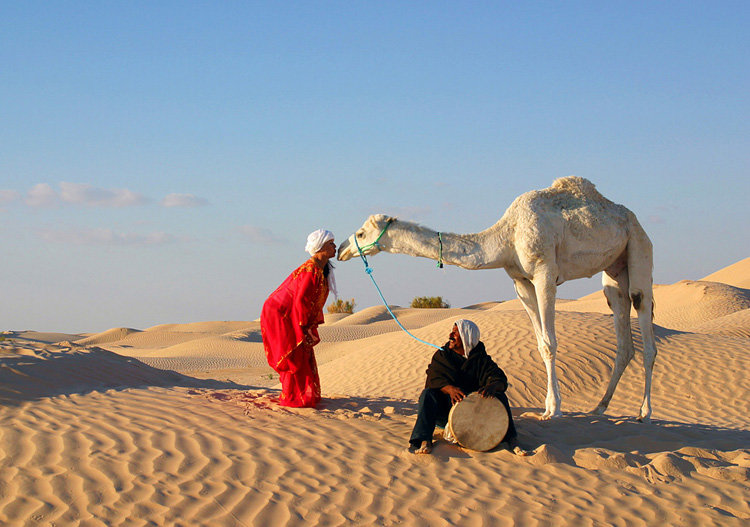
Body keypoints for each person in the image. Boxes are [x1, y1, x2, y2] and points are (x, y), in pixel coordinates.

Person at [409, 319, 518, 454]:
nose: (450, 335)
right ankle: (423, 440)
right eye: (452, 332)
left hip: (474, 414)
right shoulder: (442, 355)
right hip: (445, 411)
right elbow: (433, 379)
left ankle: (511, 439)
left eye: (455, 333)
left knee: (500, 395)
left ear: (466, 337)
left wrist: (492, 386)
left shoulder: (481, 359)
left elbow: (499, 378)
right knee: (428, 394)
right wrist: (450, 389)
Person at [260, 229, 337, 408]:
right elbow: (301, 300)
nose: (334, 247)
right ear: (320, 248)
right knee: (295, 353)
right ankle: (295, 397)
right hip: (281, 314)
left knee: (304, 352)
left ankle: (304, 395)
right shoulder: (310, 270)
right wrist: (303, 327)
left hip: (292, 313)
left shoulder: (322, 268)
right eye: (330, 244)